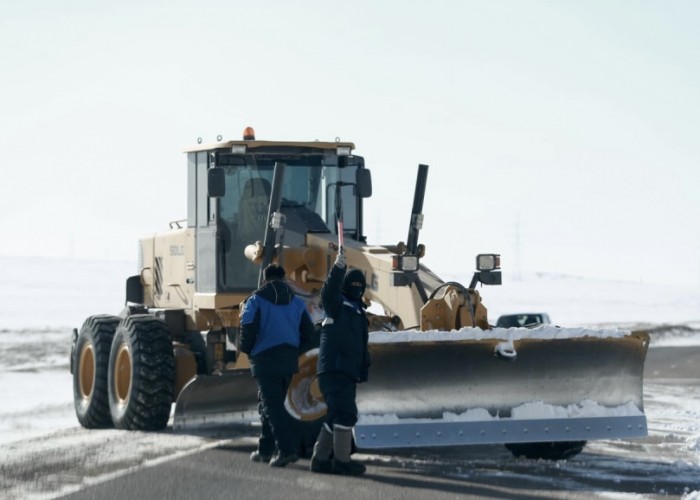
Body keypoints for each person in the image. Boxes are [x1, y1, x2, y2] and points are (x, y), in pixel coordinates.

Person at [240, 263, 315, 467]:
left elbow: (246, 328)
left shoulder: (255, 300)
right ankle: (265, 450)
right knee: (271, 405)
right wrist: (294, 350)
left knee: (272, 407)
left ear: (265, 279)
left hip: (265, 360)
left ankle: (286, 450)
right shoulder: (297, 302)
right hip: (288, 361)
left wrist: (248, 350)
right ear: (283, 279)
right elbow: (309, 332)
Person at [310, 248, 370, 476]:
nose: (357, 289)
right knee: (346, 414)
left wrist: (362, 370)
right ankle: (342, 461)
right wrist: (338, 269)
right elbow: (328, 293)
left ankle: (320, 459)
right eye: (353, 285)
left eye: (360, 286)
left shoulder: (357, 311)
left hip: (345, 371)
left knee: (336, 413)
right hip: (334, 369)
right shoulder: (336, 306)